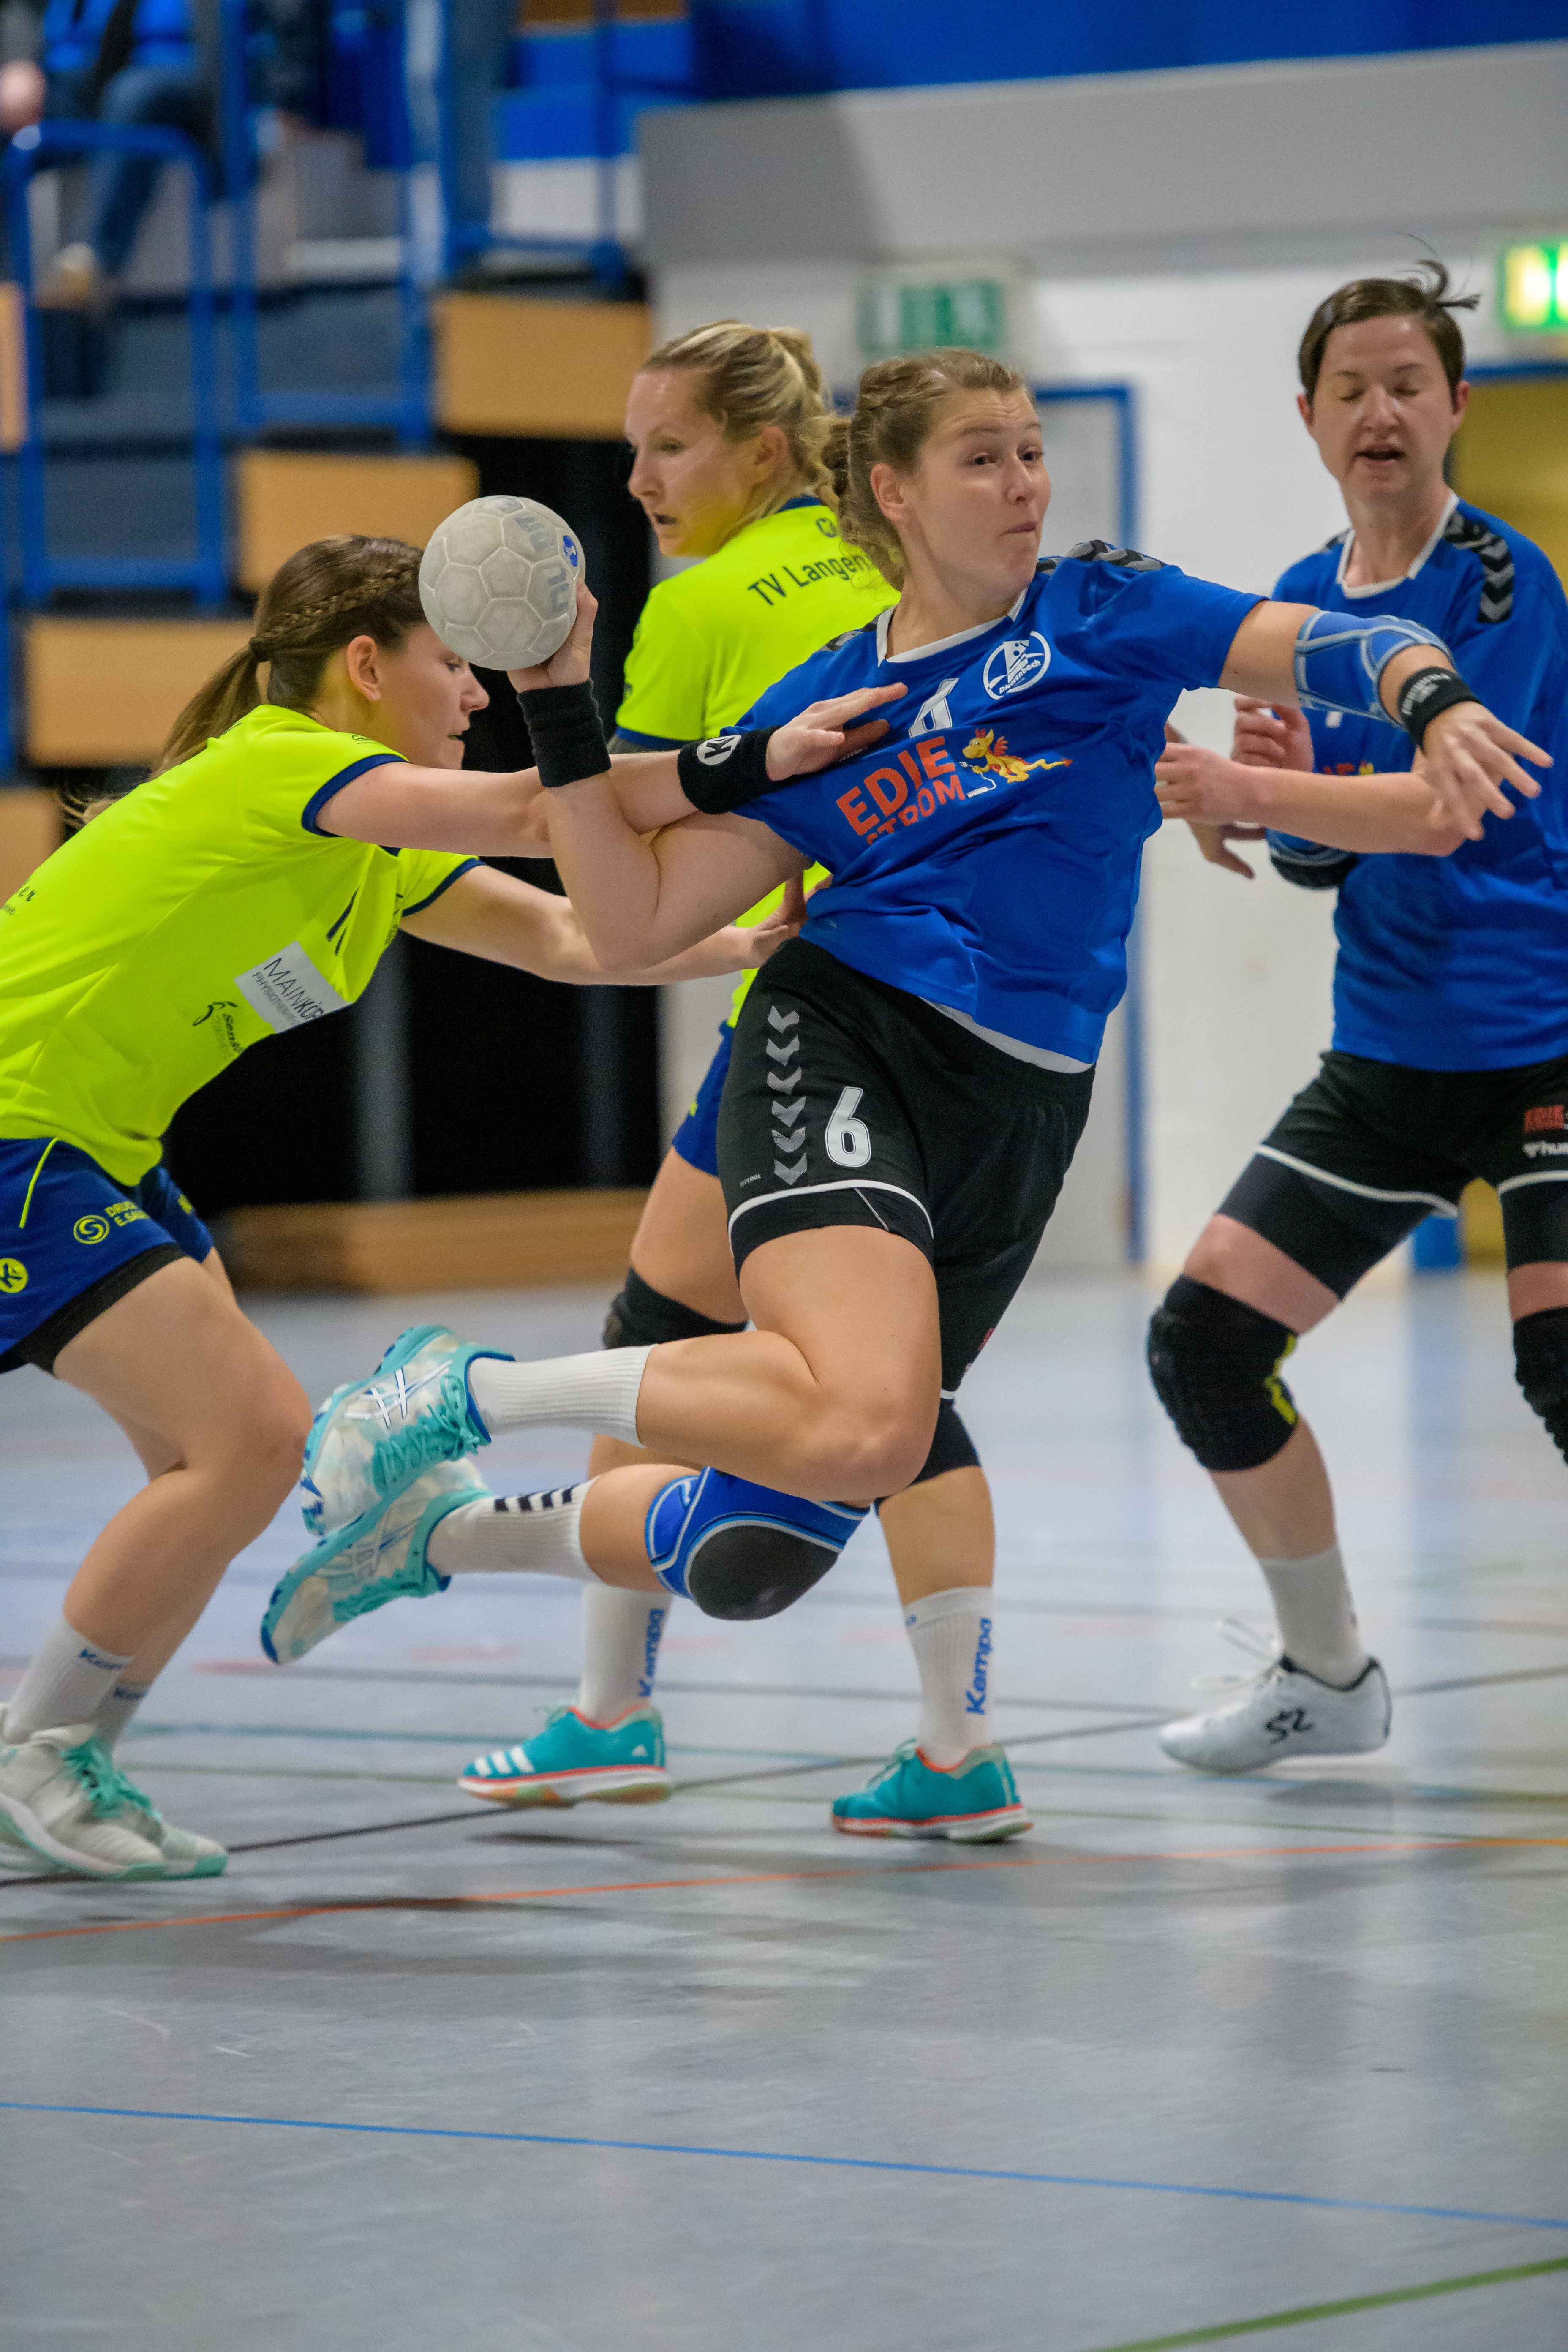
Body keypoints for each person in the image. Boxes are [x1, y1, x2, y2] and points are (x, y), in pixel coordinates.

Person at [270, 348, 1539, 1855]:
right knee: (872, 1412)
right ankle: (466, 1394)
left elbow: (1329, 641)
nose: (1023, 485)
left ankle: (441, 1532)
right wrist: (556, 701)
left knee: (754, 1546)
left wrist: (1428, 695)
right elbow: (630, 924)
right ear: (893, 490)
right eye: (981, 459)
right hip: (847, 1036)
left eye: (1029, 452)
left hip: (1024, 1107)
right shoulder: (835, 700)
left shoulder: (1105, 608)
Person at [0, 532, 789, 1883]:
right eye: (454, 663)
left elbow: (565, 935)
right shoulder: (276, 764)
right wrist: (765, 763)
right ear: (364, 666)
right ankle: (38, 1754)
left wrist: (755, 944)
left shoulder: (380, 844)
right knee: (247, 1440)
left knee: (221, 1467)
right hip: (20, 1133)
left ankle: (68, 1757)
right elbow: (542, 812)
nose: (475, 693)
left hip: (102, 1150)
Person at [463, 319, 1013, 1843]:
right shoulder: (898, 559)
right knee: (905, 1393)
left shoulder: (702, 601)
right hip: (986, 1029)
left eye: (670, 447)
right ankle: (956, 1745)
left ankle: (608, 1712)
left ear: (764, 451)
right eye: (632, 450)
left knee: (667, 1337)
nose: (640, 481)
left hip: (827, 1021)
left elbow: (607, 836)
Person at [1147, 262, 1568, 1772]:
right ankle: (1325, 1676)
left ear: (1454, 407)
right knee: (1203, 1342)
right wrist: (1279, 804)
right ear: (1309, 418)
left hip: (1542, 1037)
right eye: (1350, 389)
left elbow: (1447, 807)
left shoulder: (1501, 582)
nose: (1378, 410)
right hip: (1389, 1052)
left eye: (1406, 385)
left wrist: (1250, 786)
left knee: (1559, 1362)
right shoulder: (1302, 602)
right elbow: (1332, 855)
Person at [2, 0, 217, 305]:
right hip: (83, 73)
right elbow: (23, 9)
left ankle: (95, 259)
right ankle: (6, 297)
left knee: (130, 95)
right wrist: (19, 63)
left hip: (174, 68)